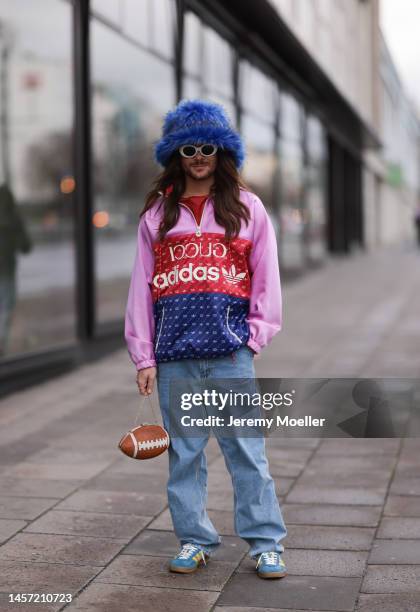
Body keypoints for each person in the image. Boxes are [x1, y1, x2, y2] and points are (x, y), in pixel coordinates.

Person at [124, 99, 287, 579]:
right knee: (185, 457)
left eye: (208, 147)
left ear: (222, 152)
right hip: (175, 359)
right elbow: (141, 288)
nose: (199, 156)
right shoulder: (157, 214)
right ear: (176, 154)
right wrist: (144, 356)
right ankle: (195, 539)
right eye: (189, 148)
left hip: (231, 354)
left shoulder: (247, 208)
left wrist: (254, 337)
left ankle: (265, 543)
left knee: (247, 455)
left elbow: (266, 279)